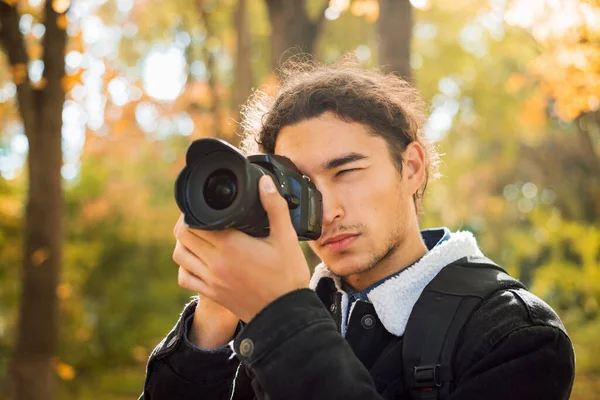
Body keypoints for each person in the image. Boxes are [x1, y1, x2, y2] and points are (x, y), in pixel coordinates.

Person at [140, 56, 575, 400]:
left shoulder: (517, 334)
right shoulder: (264, 316)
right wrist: (212, 324)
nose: (326, 211)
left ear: (411, 168)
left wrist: (284, 318)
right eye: (302, 188)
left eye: (346, 172)